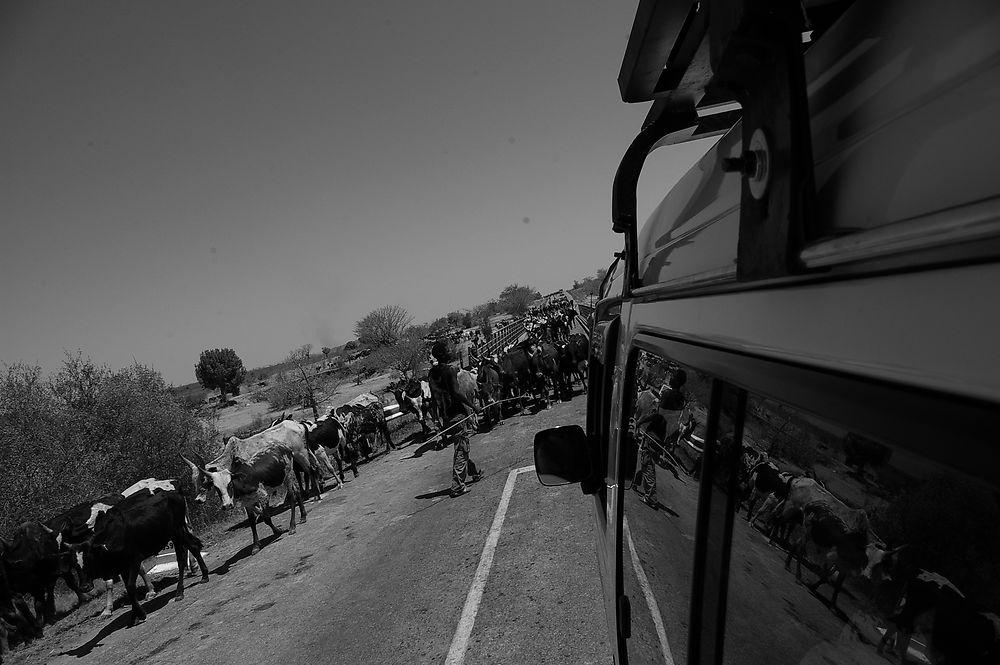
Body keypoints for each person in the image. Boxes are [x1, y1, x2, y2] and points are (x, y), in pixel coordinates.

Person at [429, 341, 484, 497]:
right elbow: (457, 393)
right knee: (461, 449)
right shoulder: (450, 370)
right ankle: (457, 486)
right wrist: (474, 407)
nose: (449, 352)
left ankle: (474, 473)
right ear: (442, 354)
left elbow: (433, 398)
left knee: (461, 445)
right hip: (456, 414)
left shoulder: (432, 373)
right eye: (447, 350)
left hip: (445, 416)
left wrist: (436, 419)